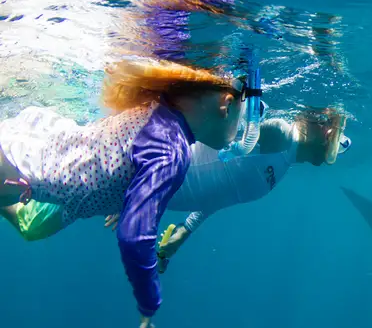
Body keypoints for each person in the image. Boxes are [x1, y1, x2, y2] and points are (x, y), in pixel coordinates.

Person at [0, 57, 257, 328]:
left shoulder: (160, 111)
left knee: (34, 227)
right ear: (226, 105)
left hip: (30, 147)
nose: (246, 125)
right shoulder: (172, 150)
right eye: (248, 111)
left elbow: (115, 158)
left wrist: (123, 198)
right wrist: (149, 303)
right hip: (16, 167)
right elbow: (134, 237)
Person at [103, 107, 352, 273]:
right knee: (66, 194)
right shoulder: (281, 135)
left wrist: (185, 231)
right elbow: (207, 133)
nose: (334, 138)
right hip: (136, 173)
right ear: (316, 124)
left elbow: (222, 190)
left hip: (147, 190)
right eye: (330, 127)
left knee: (69, 204)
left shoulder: (284, 163)